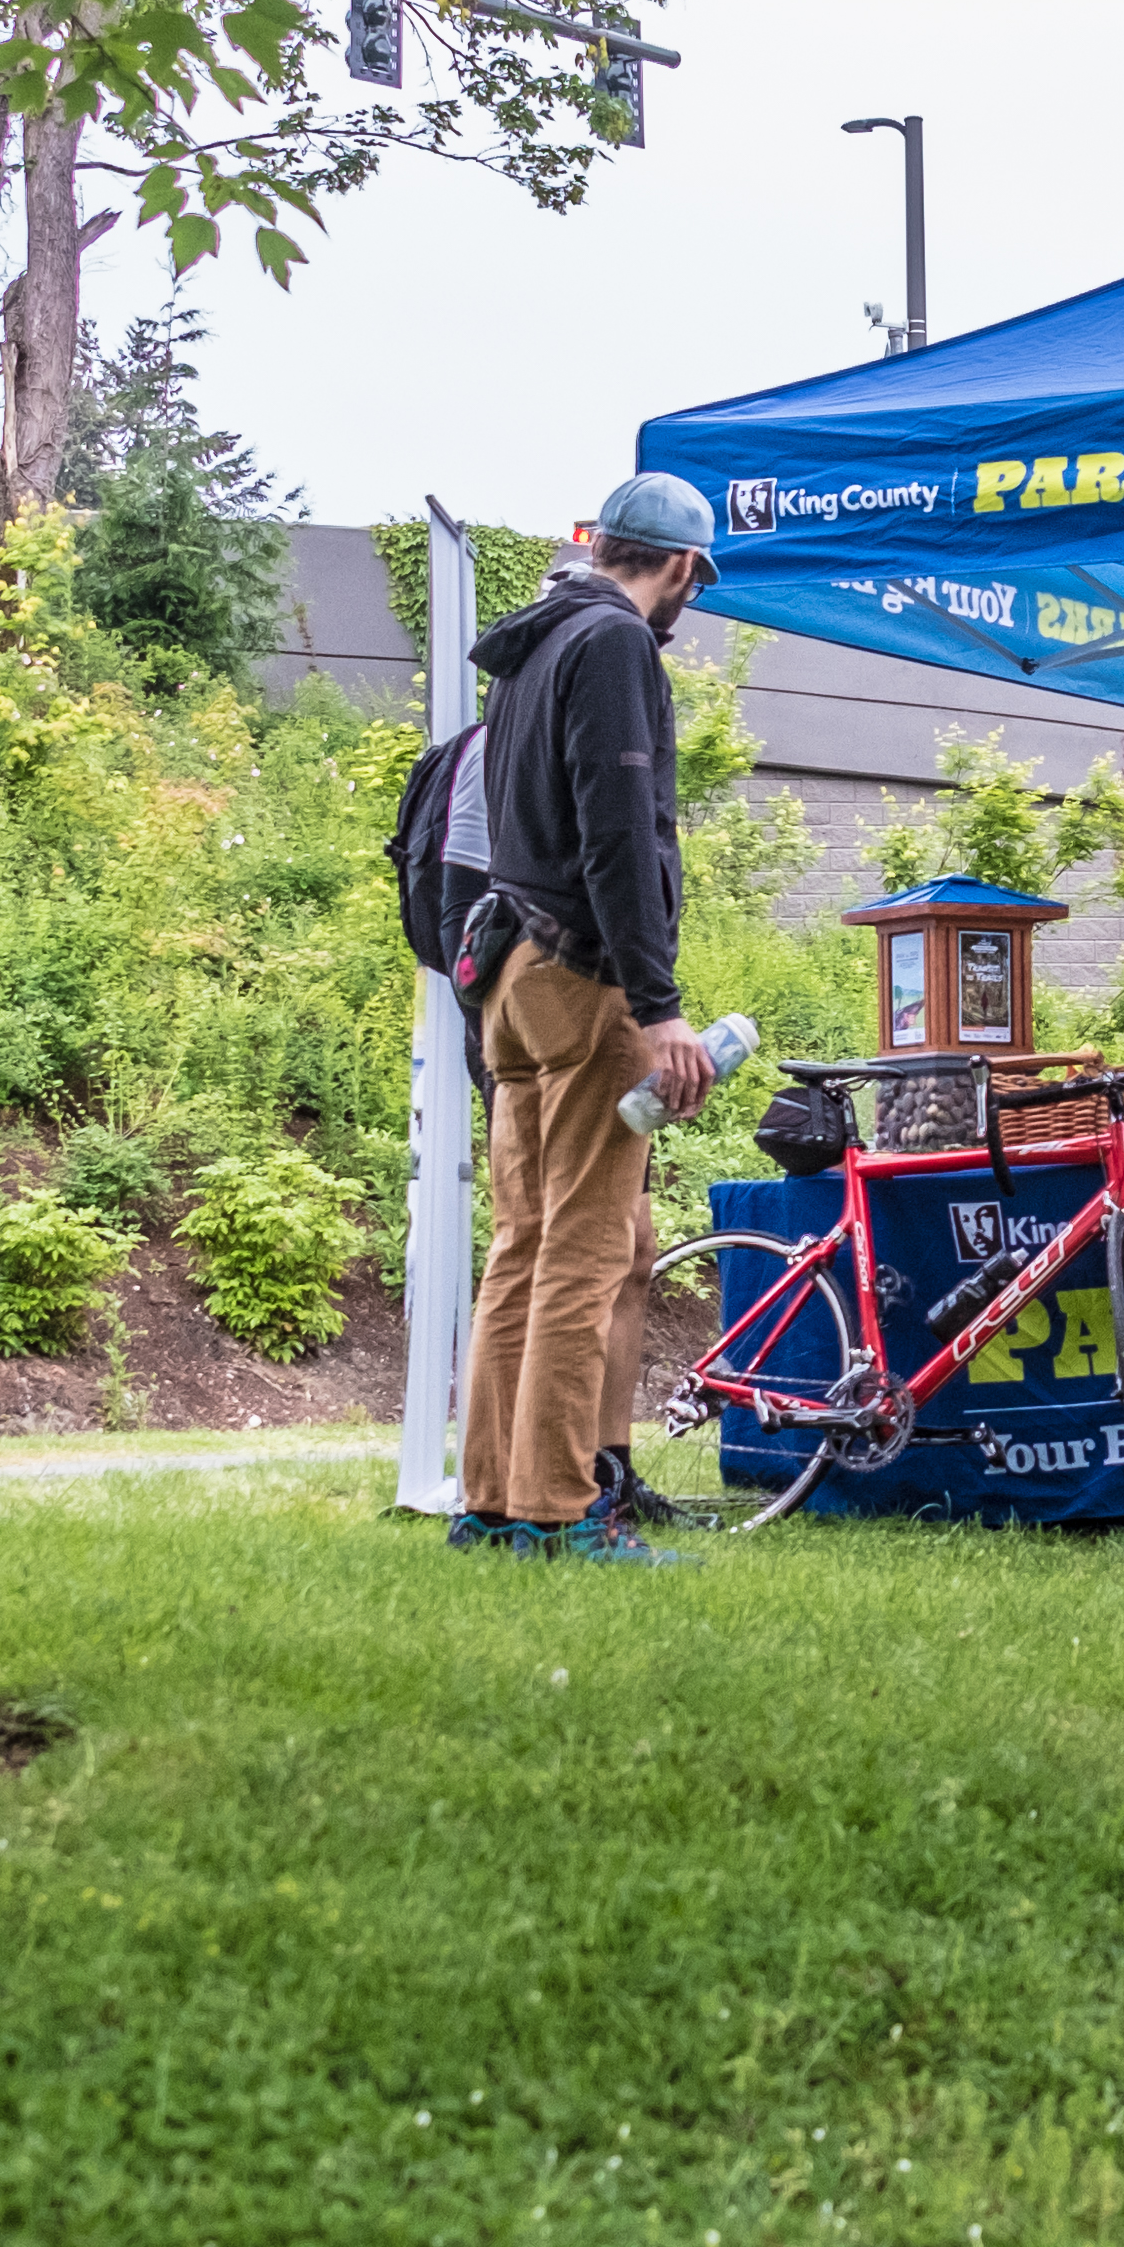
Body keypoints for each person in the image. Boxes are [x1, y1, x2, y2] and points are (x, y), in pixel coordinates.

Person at [455, 475, 720, 1556]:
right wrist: (657, 1010)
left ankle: (492, 1504)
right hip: (582, 980)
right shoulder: (612, 644)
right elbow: (618, 828)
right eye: (692, 584)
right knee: (586, 1251)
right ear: (678, 568)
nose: (686, 605)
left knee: (521, 1245)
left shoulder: (531, 645)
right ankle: (561, 1512)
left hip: (512, 975)